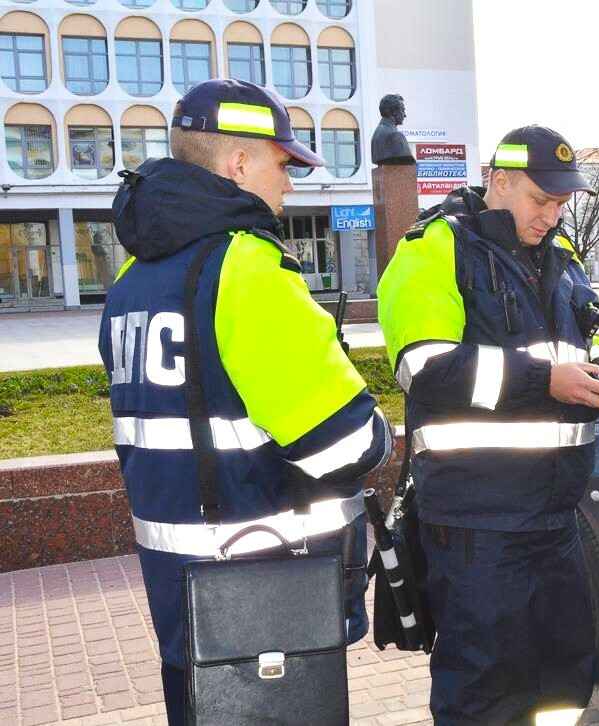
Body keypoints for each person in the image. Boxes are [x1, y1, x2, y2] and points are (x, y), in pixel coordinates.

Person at [97, 79, 393, 725]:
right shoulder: (249, 269)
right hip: (266, 587)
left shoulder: (133, 279)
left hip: (181, 585)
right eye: (282, 163)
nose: (290, 183)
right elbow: (346, 445)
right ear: (238, 164)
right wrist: (379, 428)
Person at [376, 125, 599, 725]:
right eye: (540, 200)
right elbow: (423, 369)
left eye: (560, 205)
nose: (551, 217)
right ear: (498, 180)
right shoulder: (432, 247)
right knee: (484, 687)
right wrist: (544, 381)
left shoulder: (562, 258)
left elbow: (571, 354)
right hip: (477, 522)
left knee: (562, 680)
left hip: (556, 515)